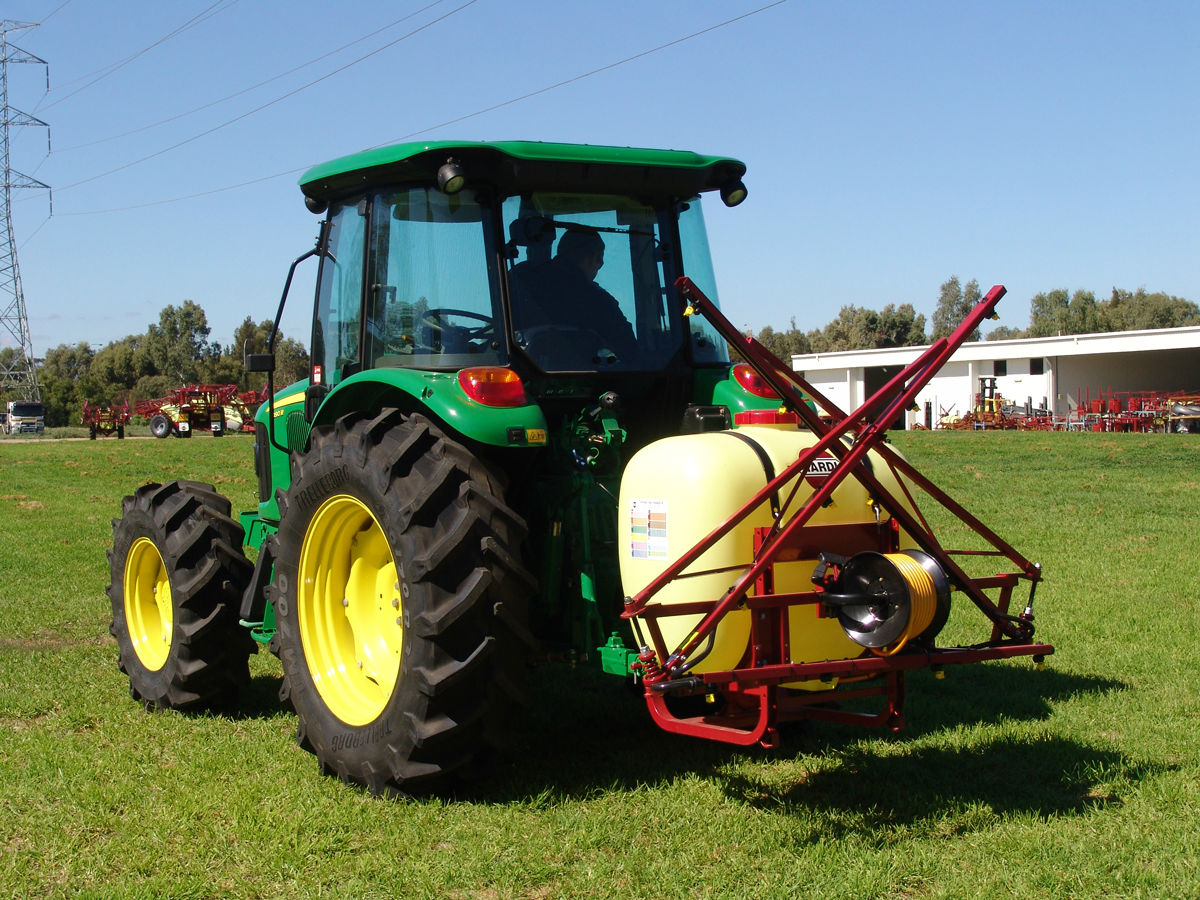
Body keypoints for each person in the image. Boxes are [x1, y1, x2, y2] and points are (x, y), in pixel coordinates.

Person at [509, 229, 637, 364]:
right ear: (590, 258)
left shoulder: (519, 280)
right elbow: (630, 350)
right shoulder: (597, 300)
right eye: (600, 259)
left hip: (522, 370)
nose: (600, 265)